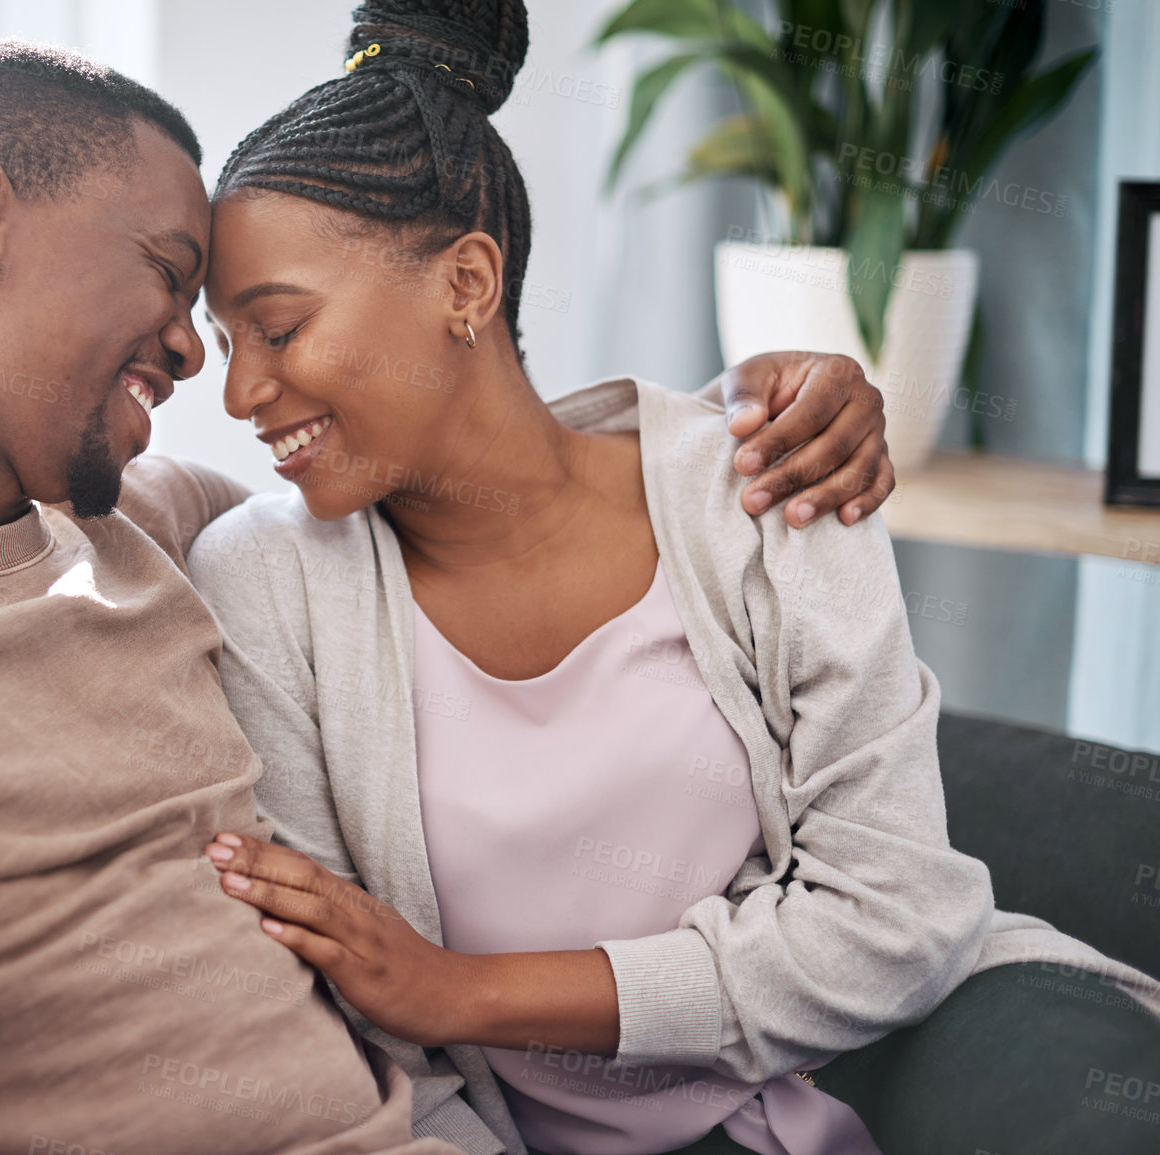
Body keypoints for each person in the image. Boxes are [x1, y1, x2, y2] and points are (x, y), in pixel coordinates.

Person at [0, 39, 898, 1155]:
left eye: (249, 321)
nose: (200, 361)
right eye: (177, 283)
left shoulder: (164, 530)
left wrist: (737, 419)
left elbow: (460, 490)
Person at [185, 4, 1160, 1155]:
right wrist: (432, 1014)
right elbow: (363, 1015)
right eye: (222, 337)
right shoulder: (264, 583)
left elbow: (900, 924)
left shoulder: (767, 479)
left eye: (279, 329)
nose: (242, 392)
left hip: (908, 1041)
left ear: (465, 284)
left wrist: (467, 991)